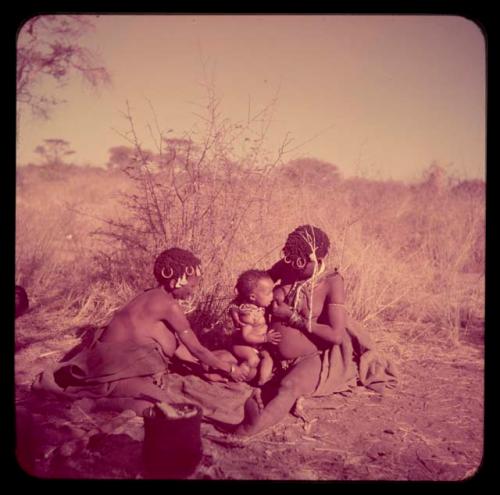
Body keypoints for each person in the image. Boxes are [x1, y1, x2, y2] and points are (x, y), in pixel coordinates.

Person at [36, 247, 249, 414]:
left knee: (184, 392)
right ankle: (97, 404)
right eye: (191, 286)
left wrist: (206, 370)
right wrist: (230, 370)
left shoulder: (153, 295)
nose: (193, 291)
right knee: (165, 406)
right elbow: (197, 350)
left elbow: (174, 347)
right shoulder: (168, 306)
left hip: (110, 367)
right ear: (177, 281)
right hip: (111, 374)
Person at [235, 225, 348, 436]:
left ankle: (250, 428)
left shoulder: (332, 283)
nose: (295, 267)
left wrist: (293, 317)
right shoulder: (287, 266)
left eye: (301, 262)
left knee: (289, 386)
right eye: (292, 259)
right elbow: (251, 289)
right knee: (237, 371)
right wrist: (237, 308)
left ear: (317, 258)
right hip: (269, 352)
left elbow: (336, 335)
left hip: (309, 357)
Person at [229, 270, 281, 385]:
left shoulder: (259, 305)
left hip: (257, 345)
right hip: (242, 345)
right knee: (253, 360)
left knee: (268, 359)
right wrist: (265, 339)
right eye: (268, 293)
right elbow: (246, 336)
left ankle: (263, 382)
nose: (272, 296)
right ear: (253, 297)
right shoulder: (248, 314)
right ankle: (238, 374)